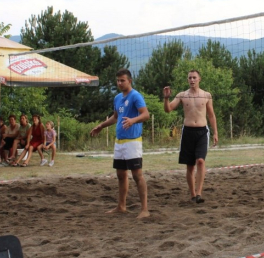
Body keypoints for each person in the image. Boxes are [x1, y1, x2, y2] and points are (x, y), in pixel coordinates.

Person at [90, 68, 150, 219]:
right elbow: (116, 117)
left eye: (122, 80)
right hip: (120, 142)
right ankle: (121, 206)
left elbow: (146, 114)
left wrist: (133, 120)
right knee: (120, 174)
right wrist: (101, 126)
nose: (120, 83)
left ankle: (144, 209)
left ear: (130, 81)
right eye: (118, 80)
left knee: (137, 175)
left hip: (133, 141)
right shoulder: (117, 98)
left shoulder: (136, 96)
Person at [163, 69, 218, 203]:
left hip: (202, 132)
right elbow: (168, 109)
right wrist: (166, 98)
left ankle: (199, 193)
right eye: (190, 78)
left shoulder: (206, 95)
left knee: (200, 161)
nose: (192, 80)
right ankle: (192, 195)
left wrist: (215, 132)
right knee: (190, 166)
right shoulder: (182, 95)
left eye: (194, 77)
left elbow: (211, 115)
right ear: (187, 80)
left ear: (199, 79)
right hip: (187, 132)